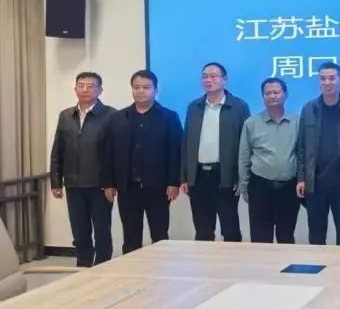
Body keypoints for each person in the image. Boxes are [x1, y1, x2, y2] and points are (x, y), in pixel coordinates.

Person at [103, 70, 182, 253]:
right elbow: (109, 152)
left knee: (159, 234)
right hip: (127, 187)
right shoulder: (118, 118)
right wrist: (109, 183)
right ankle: (132, 269)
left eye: (146, 87)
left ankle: (160, 267)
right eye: (136, 87)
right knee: (130, 236)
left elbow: (176, 152)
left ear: (155, 90)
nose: (140, 91)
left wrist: (174, 182)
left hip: (159, 187)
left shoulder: (169, 117)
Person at [49, 72, 116, 267]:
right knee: (79, 230)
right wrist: (56, 181)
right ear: (75, 89)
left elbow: (115, 153)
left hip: (100, 185)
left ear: (100, 90)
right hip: (73, 184)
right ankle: (83, 265)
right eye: (81, 85)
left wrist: (111, 183)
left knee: (102, 230)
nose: (85, 90)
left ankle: (103, 266)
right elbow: (57, 150)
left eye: (91, 86)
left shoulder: (111, 115)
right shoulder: (65, 116)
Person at [181, 62, 250, 242]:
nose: (208, 80)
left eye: (213, 76)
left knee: (230, 229)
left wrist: (241, 176)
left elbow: (246, 145)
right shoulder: (194, 107)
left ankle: (232, 261)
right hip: (198, 176)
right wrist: (185, 176)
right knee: (203, 230)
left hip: (225, 176)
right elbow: (186, 142)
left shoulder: (239, 106)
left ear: (224, 80)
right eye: (205, 76)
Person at [296, 62, 340, 245]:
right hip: (315, 184)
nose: (327, 82)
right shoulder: (309, 108)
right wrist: (301, 178)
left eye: (332, 78)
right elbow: (301, 147)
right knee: (316, 235)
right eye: (323, 79)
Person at [238, 77, 301, 244]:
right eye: (268, 93)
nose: (272, 96)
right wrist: (244, 186)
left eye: (276, 92)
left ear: (285, 94)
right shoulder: (251, 123)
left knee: (286, 236)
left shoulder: (297, 122)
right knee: (260, 237)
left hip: (289, 188)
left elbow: (302, 154)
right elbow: (244, 156)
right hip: (260, 187)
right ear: (263, 96)